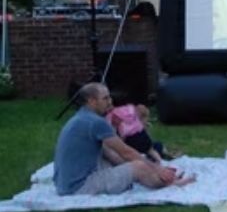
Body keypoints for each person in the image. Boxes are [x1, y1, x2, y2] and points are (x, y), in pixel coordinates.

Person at [53, 83, 194, 196]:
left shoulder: (81, 117)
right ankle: (169, 182)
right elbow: (127, 152)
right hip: (79, 188)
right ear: (91, 101)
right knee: (138, 166)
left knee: (115, 156)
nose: (110, 102)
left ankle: (157, 176)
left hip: (64, 184)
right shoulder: (96, 122)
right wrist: (158, 169)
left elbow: (112, 154)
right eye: (105, 98)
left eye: (109, 97)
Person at [106, 104, 179, 163]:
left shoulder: (121, 126)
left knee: (156, 146)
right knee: (154, 148)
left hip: (136, 150)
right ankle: (162, 160)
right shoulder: (130, 125)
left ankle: (164, 156)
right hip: (137, 151)